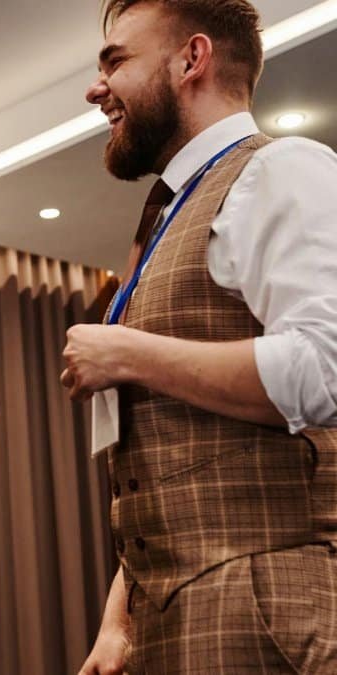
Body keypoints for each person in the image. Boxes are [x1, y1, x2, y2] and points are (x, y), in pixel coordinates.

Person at [65, 1, 337, 672]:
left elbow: (324, 367)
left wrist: (130, 353)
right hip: (175, 616)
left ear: (192, 58)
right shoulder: (170, 213)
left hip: (269, 610)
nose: (96, 89)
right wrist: (119, 618)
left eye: (115, 62)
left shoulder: (282, 168)